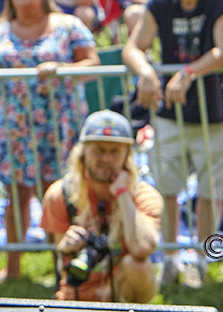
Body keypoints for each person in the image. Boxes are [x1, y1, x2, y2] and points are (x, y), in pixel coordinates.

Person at [122, 0, 223, 284]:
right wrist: (146, 72)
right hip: (171, 112)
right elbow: (133, 48)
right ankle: (171, 258)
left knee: (210, 191)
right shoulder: (160, 1)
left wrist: (188, 73)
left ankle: (202, 260)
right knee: (168, 188)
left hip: (215, 109)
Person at [0, 0, 98, 286]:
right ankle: (12, 269)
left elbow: (93, 63)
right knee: (15, 195)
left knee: (57, 194)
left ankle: (65, 266)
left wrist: (62, 67)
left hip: (57, 123)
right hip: (14, 126)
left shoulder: (68, 25)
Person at [41, 111, 161, 302]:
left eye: (115, 151)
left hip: (121, 291)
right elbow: (60, 265)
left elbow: (142, 248)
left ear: (127, 155)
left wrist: (122, 193)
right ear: (83, 152)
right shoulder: (60, 194)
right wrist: (66, 246)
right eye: (99, 150)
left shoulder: (144, 195)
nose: (106, 158)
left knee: (138, 266)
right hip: (76, 295)